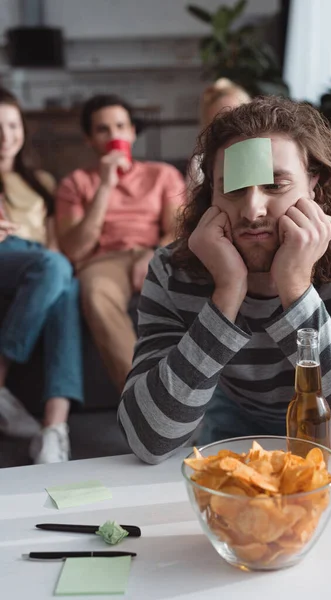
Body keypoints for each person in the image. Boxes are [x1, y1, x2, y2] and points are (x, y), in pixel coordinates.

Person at [118, 96, 331, 464]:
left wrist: (296, 290)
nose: (252, 211)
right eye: (233, 189)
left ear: (313, 183)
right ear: (211, 193)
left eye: (275, 185)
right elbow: (148, 441)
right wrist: (227, 293)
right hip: (237, 424)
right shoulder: (173, 268)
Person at [56, 94, 186, 392]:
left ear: (132, 131)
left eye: (120, 126)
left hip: (155, 252)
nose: (114, 135)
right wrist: (104, 185)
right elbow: (75, 249)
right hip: (104, 261)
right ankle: (146, 399)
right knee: (96, 292)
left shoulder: (162, 174)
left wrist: (155, 255)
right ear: (89, 139)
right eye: (103, 129)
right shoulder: (75, 183)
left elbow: (178, 229)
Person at [0, 88, 83, 463]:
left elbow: (55, 245)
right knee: (56, 268)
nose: (6, 137)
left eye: (12, 125)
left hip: (41, 265)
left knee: (66, 280)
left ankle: (53, 429)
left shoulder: (41, 181)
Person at [187, 78, 251, 191]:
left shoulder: (268, 153)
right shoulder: (199, 165)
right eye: (221, 120)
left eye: (237, 114)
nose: (231, 125)